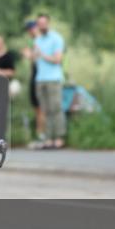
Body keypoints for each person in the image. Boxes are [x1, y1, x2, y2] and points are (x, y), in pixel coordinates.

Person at [30, 13, 67, 149]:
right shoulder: (37, 40)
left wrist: (42, 55)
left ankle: (58, 137)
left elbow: (57, 59)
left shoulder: (56, 38)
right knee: (44, 110)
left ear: (48, 23)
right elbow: (35, 59)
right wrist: (31, 55)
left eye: (44, 23)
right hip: (40, 79)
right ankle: (48, 138)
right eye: (40, 24)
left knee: (56, 108)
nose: (42, 26)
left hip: (53, 78)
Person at [20, 19, 45, 139]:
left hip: (42, 76)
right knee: (36, 106)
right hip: (35, 74)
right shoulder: (34, 41)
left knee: (41, 106)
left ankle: (43, 133)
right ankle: (40, 133)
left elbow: (38, 57)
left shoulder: (41, 40)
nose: (30, 32)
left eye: (31, 29)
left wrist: (29, 55)